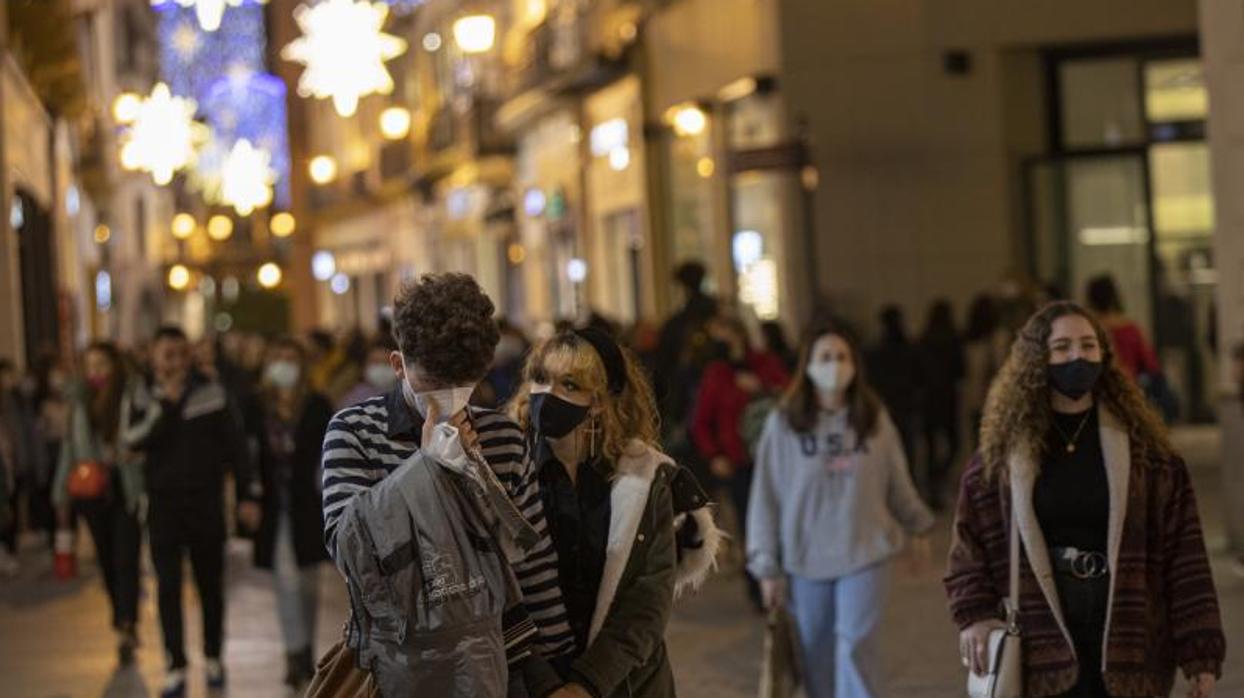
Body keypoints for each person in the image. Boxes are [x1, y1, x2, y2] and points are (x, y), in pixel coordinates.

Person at [945, 301, 1225, 698]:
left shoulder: (1149, 455)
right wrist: (974, 615)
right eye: (1061, 347)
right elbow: (967, 544)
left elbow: (1186, 556)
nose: (1077, 356)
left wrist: (1200, 655)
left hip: (1130, 636)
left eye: (1088, 345)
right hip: (1041, 639)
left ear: (1104, 356)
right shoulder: (1001, 460)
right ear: (1036, 360)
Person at [320, 273, 575, 694]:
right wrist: (425, 468)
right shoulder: (355, 431)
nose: (450, 399)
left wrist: (559, 668)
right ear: (398, 365)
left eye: (464, 384)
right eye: (432, 384)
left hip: (497, 663)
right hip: (399, 666)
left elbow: (535, 565)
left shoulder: (503, 438)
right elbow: (349, 552)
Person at [510, 327, 721, 697]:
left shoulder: (644, 479)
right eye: (541, 379)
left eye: (569, 385)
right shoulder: (508, 470)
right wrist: (547, 685)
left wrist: (586, 685)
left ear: (598, 401)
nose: (547, 395)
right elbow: (503, 593)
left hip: (629, 683)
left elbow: (646, 602)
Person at [748, 318, 934, 698]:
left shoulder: (872, 418)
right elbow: (766, 496)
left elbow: (897, 481)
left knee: (855, 647)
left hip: (865, 553)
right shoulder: (784, 424)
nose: (834, 364)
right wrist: (766, 564)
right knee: (816, 658)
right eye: (825, 356)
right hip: (805, 559)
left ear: (855, 364)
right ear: (809, 364)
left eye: (842, 356)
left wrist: (919, 525)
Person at [127, 326, 260, 698]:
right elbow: (132, 441)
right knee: (167, 587)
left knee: (210, 584)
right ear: (152, 356)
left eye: (180, 353)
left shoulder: (212, 391)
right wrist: (166, 406)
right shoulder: (141, 393)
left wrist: (247, 494)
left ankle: (214, 656)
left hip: (205, 503)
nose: (174, 361)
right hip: (163, 505)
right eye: (166, 354)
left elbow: (235, 445)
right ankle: (175, 664)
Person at [244, 337, 334, 690]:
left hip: (307, 505)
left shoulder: (316, 404)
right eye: (277, 357)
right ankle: (294, 654)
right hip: (271, 505)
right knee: (286, 580)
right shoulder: (256, 405)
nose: (284, 364)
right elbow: (247, 453)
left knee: (308, 581)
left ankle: (305, 649)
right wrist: (246, 496)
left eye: (290, 358)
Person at [50, 342, 144, 666]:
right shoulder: (79, 403)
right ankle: (119, 616)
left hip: (124, 487)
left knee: (126, 558)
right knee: (105, 558)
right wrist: (60, 494)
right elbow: (69, 448)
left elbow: (147, 429)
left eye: (101, 365)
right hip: (92, 491)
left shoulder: (130, 395)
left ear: (114, 365)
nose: (96, 373)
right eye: (90, 366)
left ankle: (128, 624)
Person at [689, 311, 788, 608]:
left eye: (725, 334)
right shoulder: (715, 374)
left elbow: (790, 395)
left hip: (773, 458)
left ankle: (786, 576)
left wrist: (759, 387)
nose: (721, 341)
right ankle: (759, 585)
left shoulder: (765, 364)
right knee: (750, 522)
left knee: (781, 518)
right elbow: (701, 422)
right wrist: (715, 455)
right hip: (738, 461)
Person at [917, 299, 965, 510]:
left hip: (927, 400)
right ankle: (939, 475)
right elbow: (961, 371)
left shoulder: (923, 339)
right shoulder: (954, 340)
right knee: (954, 443)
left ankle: (932, 482)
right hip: (947, 398)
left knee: (930, 447)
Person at [865, 305, 923, 473]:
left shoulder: (875, 352)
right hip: (905, 406)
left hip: (886, 406)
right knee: (906, 450)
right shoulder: (910, 349)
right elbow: (920, 378)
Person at [961, 294, 1009, 447]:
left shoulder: (968, 341)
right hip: (998, 399)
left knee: (979, 446)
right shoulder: (1002, 337)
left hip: (975, 400)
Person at [336, 337, 399, 409]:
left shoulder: (408, 396)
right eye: (375, 362)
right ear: (364, 365)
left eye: (386, 363)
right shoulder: (353, 398)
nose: (380, 368)